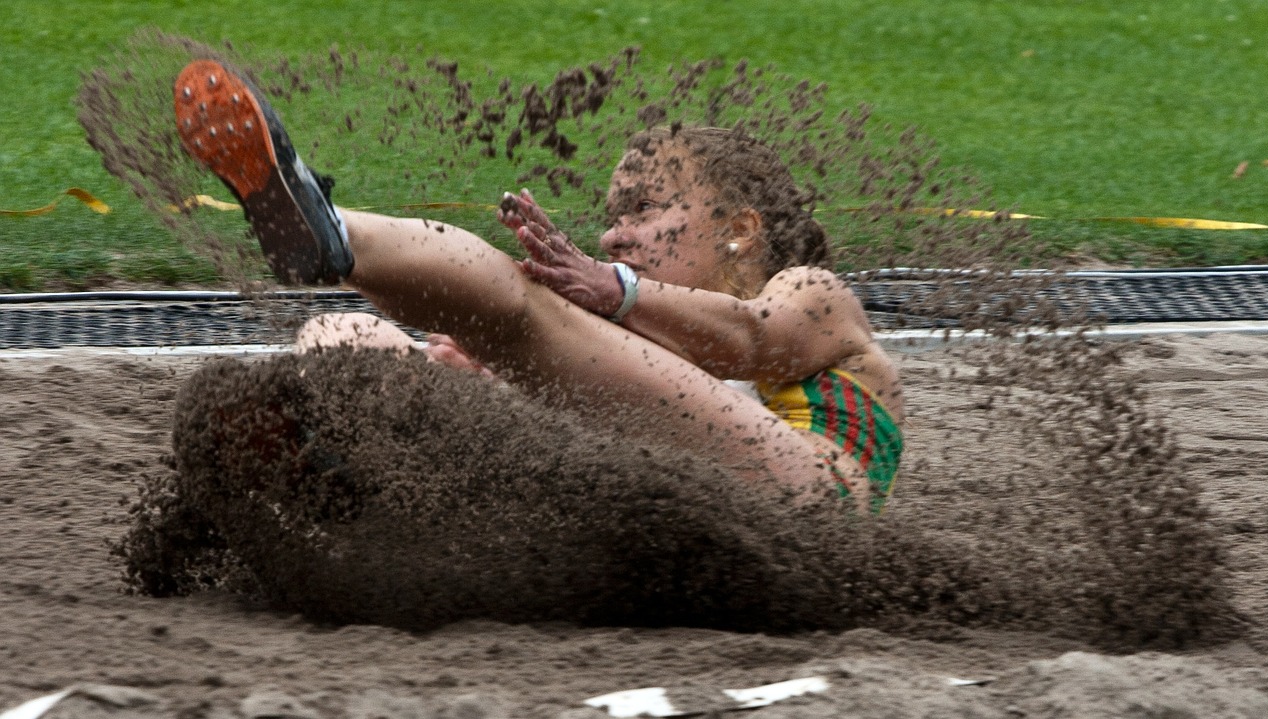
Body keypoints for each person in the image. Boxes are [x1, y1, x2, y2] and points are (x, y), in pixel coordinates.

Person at [173, 59, 905, 514]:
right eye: (612, 218)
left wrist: (611, 290)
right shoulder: (632, 339)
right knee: (343, 336)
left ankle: (330, 230)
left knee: (522, 309)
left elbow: (753, 338)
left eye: (646, 210)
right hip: (651, 532)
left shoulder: (814, 291)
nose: (616, 235)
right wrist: (478, 384)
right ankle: (338, 474)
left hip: (808, 510)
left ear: (741, 229)